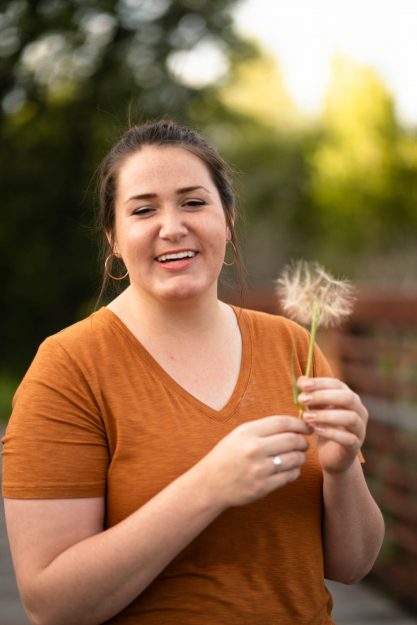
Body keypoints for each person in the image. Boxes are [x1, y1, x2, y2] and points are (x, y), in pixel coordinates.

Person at [2, 120, 384, 625]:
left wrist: (341, 470)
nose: (173, 226)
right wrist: (209, 487)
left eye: (193, 202)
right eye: (143, 210)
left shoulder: (292, 343)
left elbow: (352, 565)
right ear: (114, 238)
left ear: (227, 218)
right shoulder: (69, 367)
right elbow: (52, 606)